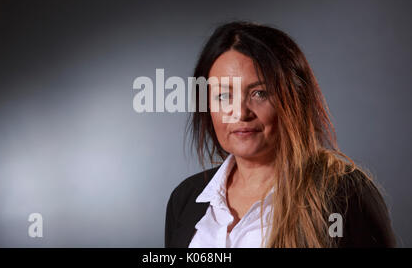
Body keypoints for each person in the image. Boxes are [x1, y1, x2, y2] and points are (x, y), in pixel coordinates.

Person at [164, 21, 396, 248]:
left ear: (295, 99)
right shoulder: (185, 199)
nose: (241, 113)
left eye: (259, 93)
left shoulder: (344, 195)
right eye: (223, 96)